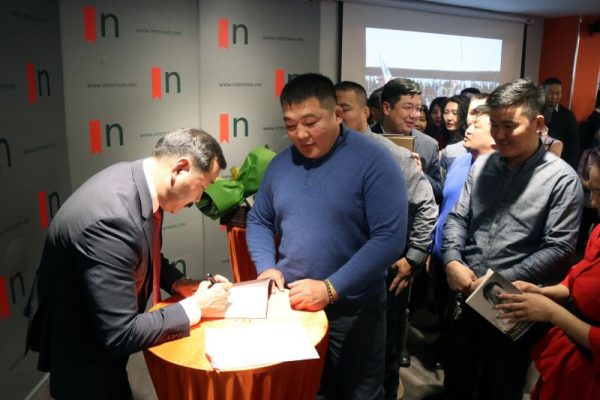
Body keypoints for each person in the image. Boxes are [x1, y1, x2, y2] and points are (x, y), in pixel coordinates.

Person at [23, 128, 232, 399]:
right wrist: (197, 307)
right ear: (180, 169)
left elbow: (141, 252)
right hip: (82, 347)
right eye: (202, 187)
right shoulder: (112, 220)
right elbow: (120, 334)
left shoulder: (138, 181)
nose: (199, 200)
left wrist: (180, 284)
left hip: (97, 329)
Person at [247, 73, 408, 399]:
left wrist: (331, 288)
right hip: (294, 305)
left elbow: (389, 238)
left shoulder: (374, 161)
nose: (300, 134)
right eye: (290, 125)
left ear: (337, 114)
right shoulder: (280, 165)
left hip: (355, 309)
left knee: (359, 393)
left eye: (310, 122)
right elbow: (260, 220)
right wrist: (266, 267)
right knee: (305, 390)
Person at [442, 79, 583, 400]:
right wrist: (451, 260)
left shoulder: (561, 178)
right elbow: (458, 218)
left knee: (501, 384)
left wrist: (496, 280)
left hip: (513, 303)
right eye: (495, 125)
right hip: (464, 291)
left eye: (510, 126)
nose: (500, 135)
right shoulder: (483, 166)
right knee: (457, 378)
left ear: (538, 124)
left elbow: (559, 247)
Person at [334, 80, 437, 399]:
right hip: (338, 274)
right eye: (331, 110)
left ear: (366, 112)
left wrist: (414, 257)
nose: (336, 116)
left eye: (344, 109)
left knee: (384, 350)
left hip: (386, 273)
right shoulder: (323, 154)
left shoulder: (392, 155)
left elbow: (426, 207)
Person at [496, 156, 600, 399]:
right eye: (592, 189)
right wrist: (544, 292)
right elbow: (578, 278)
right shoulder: (597, 230)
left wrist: (551, 311)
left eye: (599, 191)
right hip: (571, 357)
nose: (593, 201)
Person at [371, 78, 443, 202]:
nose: (415, 115)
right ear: (386, 108)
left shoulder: (429, 145)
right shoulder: (364, 139)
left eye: (418, 109)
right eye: (408, 107)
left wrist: (420, 174)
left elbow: (438, 194)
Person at [440, 94, 484, 181]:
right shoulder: (444, 141)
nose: (449, 118)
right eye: (446, 112)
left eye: (455, 113)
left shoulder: (467, 144)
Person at [542, 77, 580, 168]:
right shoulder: (535, 111)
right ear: (543, 92)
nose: (554, 97)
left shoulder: (568, 115)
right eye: (550, 93)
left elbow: (574, 146)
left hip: (559, 163)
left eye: (558, 93)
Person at [576, 132, 600, 252]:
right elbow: (578, 174)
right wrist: (590, 185)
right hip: (586, 200)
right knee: (583, 230)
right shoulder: (588, 154)